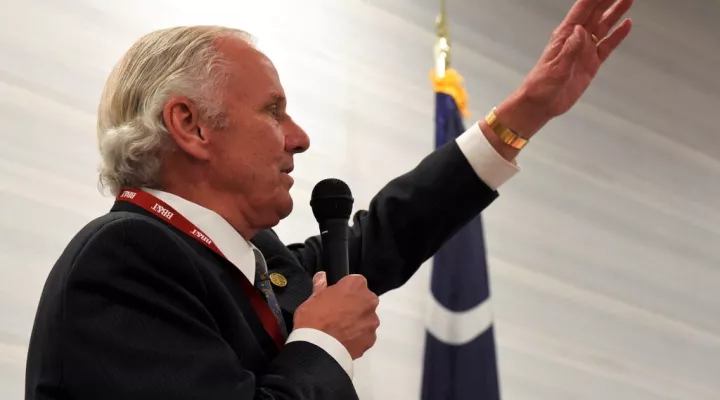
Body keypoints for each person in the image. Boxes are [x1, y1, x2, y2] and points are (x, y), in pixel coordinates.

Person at [24, 0, 633, 399]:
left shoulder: (246, 261)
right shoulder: (124, 261)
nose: (300, 138)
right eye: (273, 111)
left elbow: (391, 232)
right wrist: (322, 344)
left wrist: (524, 114)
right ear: (191, 125)